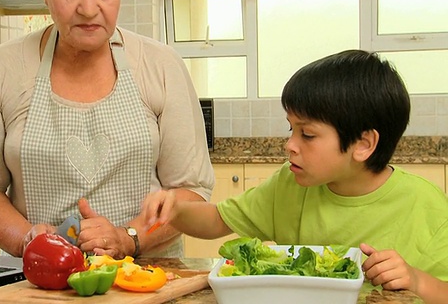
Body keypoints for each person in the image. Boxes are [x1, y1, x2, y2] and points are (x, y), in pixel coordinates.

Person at [0, 0, 214, 259]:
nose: (89, 8)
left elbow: (191, 191)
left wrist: (128, 238)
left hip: (149, 280)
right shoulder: (2, 68)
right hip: (39, 281)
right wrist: (27, 241)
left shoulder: (160, 65)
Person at [141, 50, 448, 303]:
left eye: (308, 134)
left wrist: (416, 279)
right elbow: (217, 221)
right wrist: (176, 209)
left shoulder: (426, 205)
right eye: (292, 129)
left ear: (364, 144)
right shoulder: (289, 184)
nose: (290, 145)